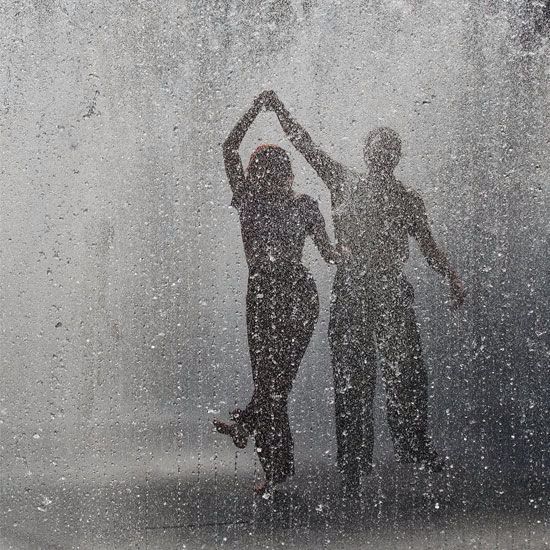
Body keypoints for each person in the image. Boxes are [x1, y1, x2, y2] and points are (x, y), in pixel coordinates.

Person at [264, 91, 465, 492]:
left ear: (396, 157)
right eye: (378, 145)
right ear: (367, 152)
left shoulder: (407, 200)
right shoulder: (342, 181)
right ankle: (355, 462)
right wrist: (278, 109)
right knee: (353, 378)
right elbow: (304, 145)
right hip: (354, 291)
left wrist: (452, 277)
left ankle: (413, 446)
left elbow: (427, 246)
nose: (383, 152)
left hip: (389, 290)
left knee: (407, 373)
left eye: (390, 147)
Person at [213, 92, 342, 495]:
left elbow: (229, 146)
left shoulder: (258, 200)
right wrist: (272, 109)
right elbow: (330, 254)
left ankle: (252, 432)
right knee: (273, 383)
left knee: (273, 381)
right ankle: (273, 465)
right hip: (290, 294)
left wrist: (259, 108)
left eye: (268, 169)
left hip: (276, 293)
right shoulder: (289, 203)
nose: (265, 175)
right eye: (263, 170)